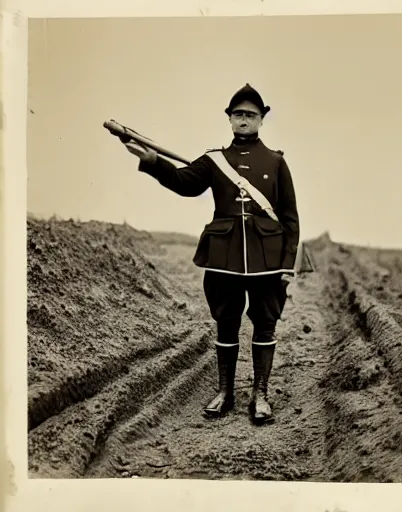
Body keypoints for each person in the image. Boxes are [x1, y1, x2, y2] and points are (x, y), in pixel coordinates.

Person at [121, 83, 300, 425]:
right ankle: (225, 392)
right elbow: (184, 183)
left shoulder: (276, 162)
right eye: (238, 114)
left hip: (266, 260)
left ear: (261, 119)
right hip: (224, 258)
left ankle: (260, 394)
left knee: (265, 324)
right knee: (226, 324)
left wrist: (287, 264)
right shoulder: (214, 160)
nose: (244, 120)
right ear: (230, 120)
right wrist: (152, 162)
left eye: (250, 114)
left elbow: (290, 217)